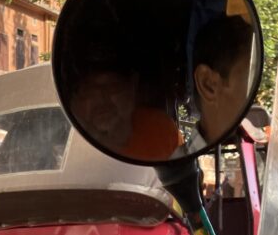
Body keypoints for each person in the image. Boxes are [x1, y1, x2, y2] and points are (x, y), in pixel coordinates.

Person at [70, 65, 182, 162]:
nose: (101, 97)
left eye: (113, 86)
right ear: (74, 102)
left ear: (132, 86)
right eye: (89, 89)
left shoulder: (160, 130)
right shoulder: (66, 148)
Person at [190, 13, 255, 149]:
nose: (257, 96)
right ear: (208, 84)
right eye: (250, 79)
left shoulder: (257, 154)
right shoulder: (178, 169)